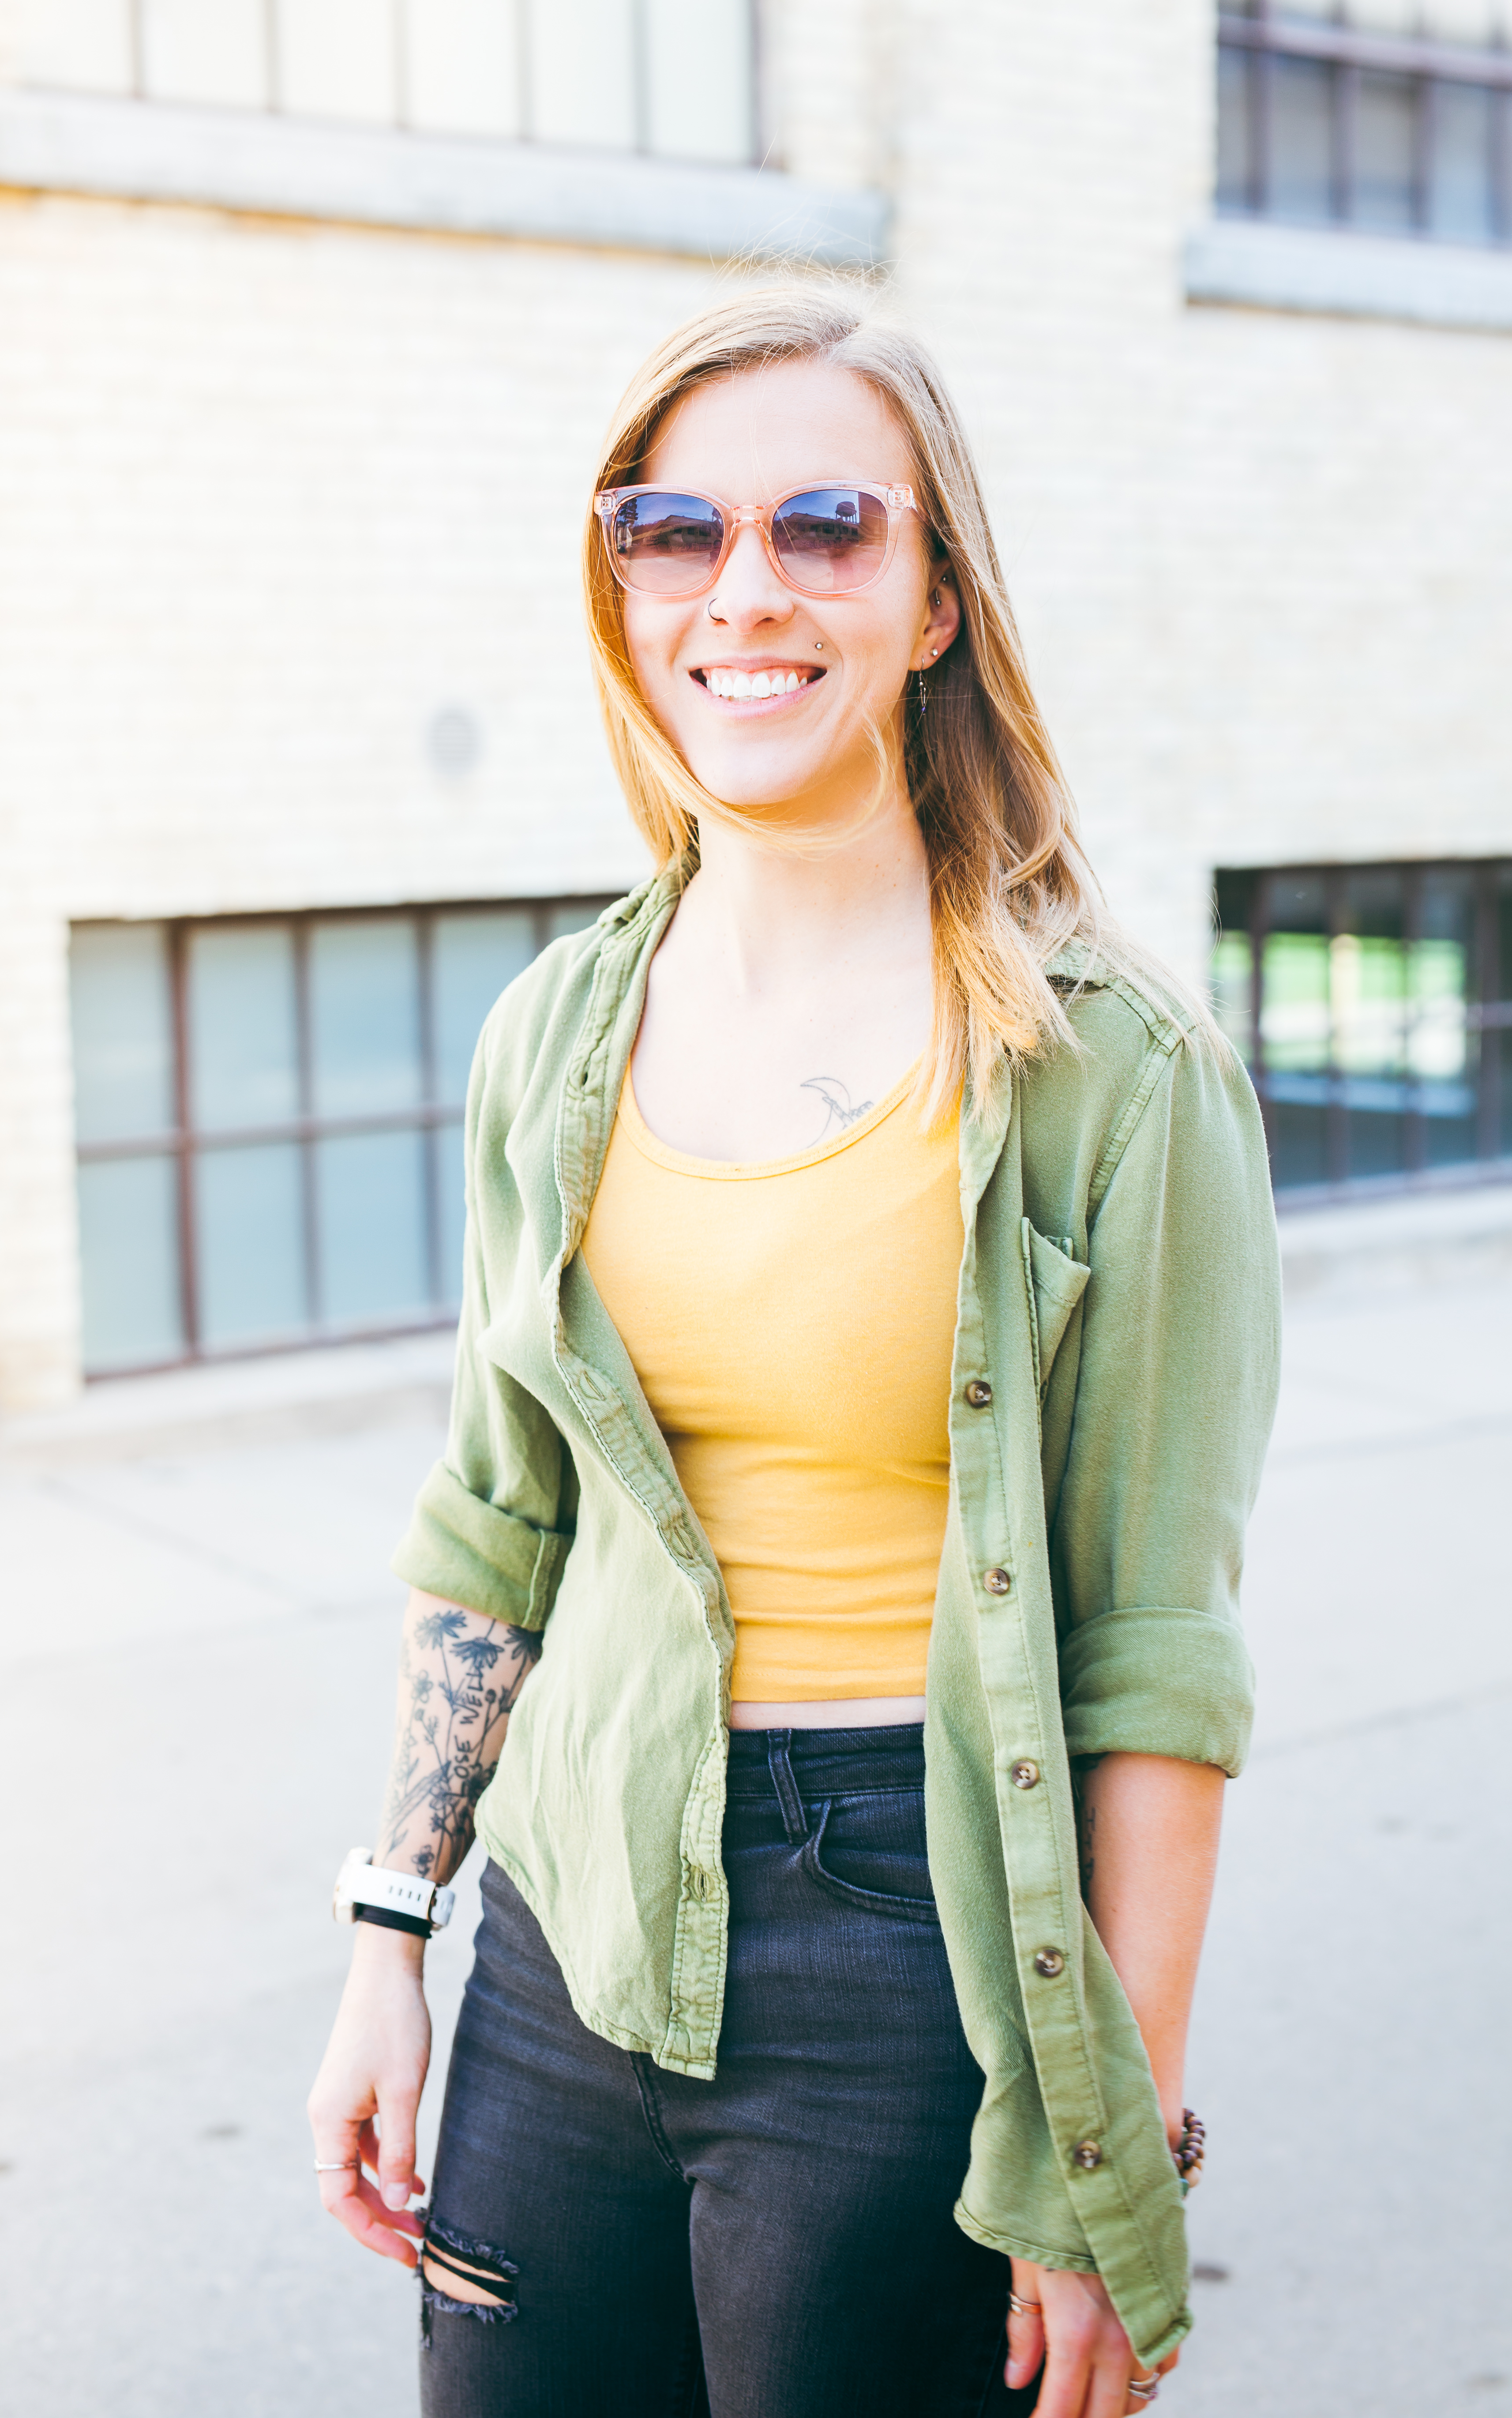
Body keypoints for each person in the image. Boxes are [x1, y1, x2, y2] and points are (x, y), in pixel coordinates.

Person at [307, 283, 1280, 2418]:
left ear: (935, 597)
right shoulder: (552, 1030)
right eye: (672, 531)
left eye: (824, 526)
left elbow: (1150, 1656)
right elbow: (496, 1521)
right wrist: (394, 1935)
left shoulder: (1109, 1077)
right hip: (566, 1937)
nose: (741, 591)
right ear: (622, 585)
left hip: (909, 1961)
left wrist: (1106, 2144)